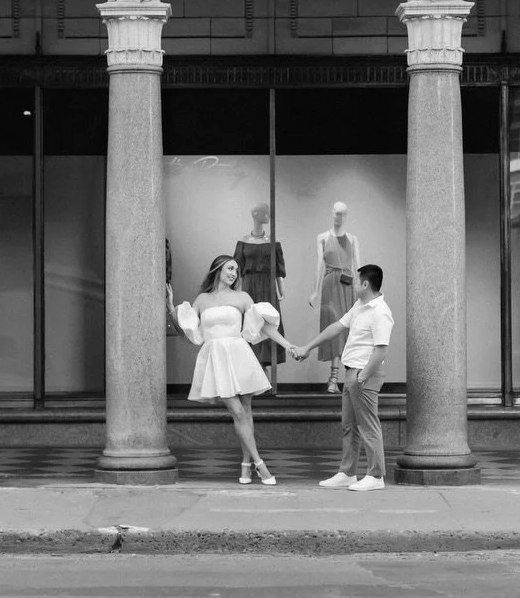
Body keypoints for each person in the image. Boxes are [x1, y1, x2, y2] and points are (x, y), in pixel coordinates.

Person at [168, 254, 297, 485]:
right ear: (217, 269)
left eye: (236, 270)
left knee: (246, 411)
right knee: (237, 412)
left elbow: (264, 325)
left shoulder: (242, 297)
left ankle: (245, 466)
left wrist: (287, 345)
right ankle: (260, 464)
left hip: (239, 354)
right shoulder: (202, 300)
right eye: (230, 268)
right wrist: (171, 308)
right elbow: (189, 333)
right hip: (216, 358)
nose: (234, 273)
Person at [291, 263, 392, 493]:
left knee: (368, 426)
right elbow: (337, 326)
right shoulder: (359, 306)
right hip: (352, 373)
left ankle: (376, 475)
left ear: (365, 284)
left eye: (356, 281)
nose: (353, 284)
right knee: (349, 426)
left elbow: (381, 350)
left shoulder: (380, 312)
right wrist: (308, 346)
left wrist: (363, 376)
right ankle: (347, 473)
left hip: (363, 374)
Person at [309, 201, 361, 393]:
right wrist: (315, 290)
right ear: (332, 214)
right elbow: (319, 264)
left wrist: (362, 291)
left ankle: (349, 377)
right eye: (337, 213)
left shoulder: (353, 239)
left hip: (348, 286)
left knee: (350, 329)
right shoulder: (323, 237)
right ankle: (333, 379)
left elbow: (358, 266)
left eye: (343, 214)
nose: (340, 217)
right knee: (335, 328)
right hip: (330, 285)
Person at [233, 203, 287, 367]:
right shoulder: (243, 241)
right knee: (249, 322)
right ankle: (252, 369)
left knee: (267, 322)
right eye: (265, 213)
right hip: (249, 286)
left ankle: (264, 369)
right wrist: (235, 293)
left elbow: (278, 270)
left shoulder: (273, 242)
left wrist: (280, 289)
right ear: (256, 214)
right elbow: (236, 269)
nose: (268, 216)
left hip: (268, 285)